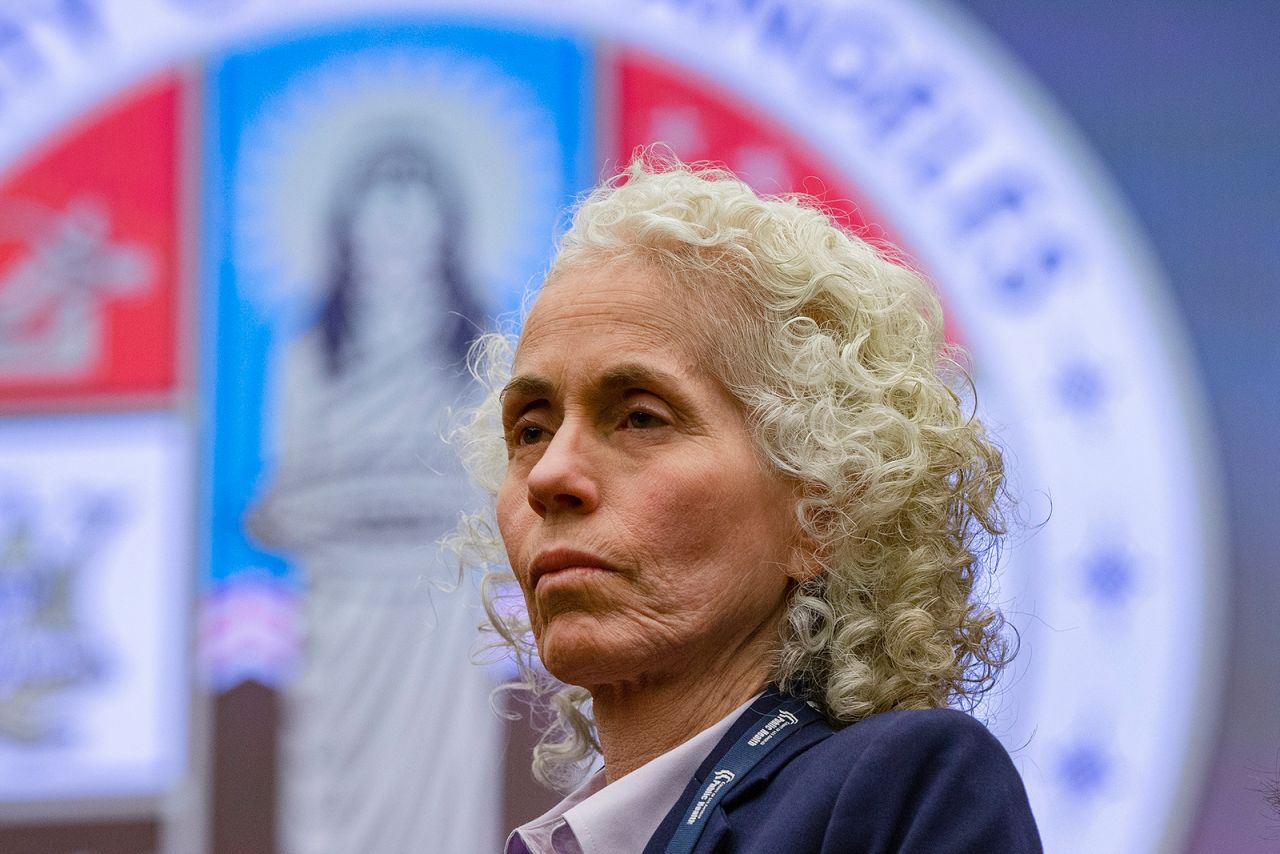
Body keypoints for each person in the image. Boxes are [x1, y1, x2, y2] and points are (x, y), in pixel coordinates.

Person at [451, 154, 1042, 853]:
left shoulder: (903, 789)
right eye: (530, 430)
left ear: (822, 507)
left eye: (640, 417)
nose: (550, 475)